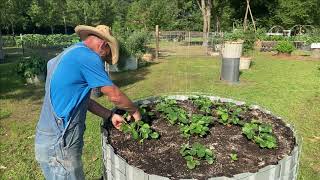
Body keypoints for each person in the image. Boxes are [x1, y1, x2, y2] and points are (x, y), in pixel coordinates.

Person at [34, 25, 141, 179]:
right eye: (105, 57)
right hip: (60, 144)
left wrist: (110, 115)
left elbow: (83, 101)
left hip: (47, 138)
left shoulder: (68, 54)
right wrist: (135, 112)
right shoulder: (88, 57)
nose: (102, 61)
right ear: (104, 45)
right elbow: (115, 95)